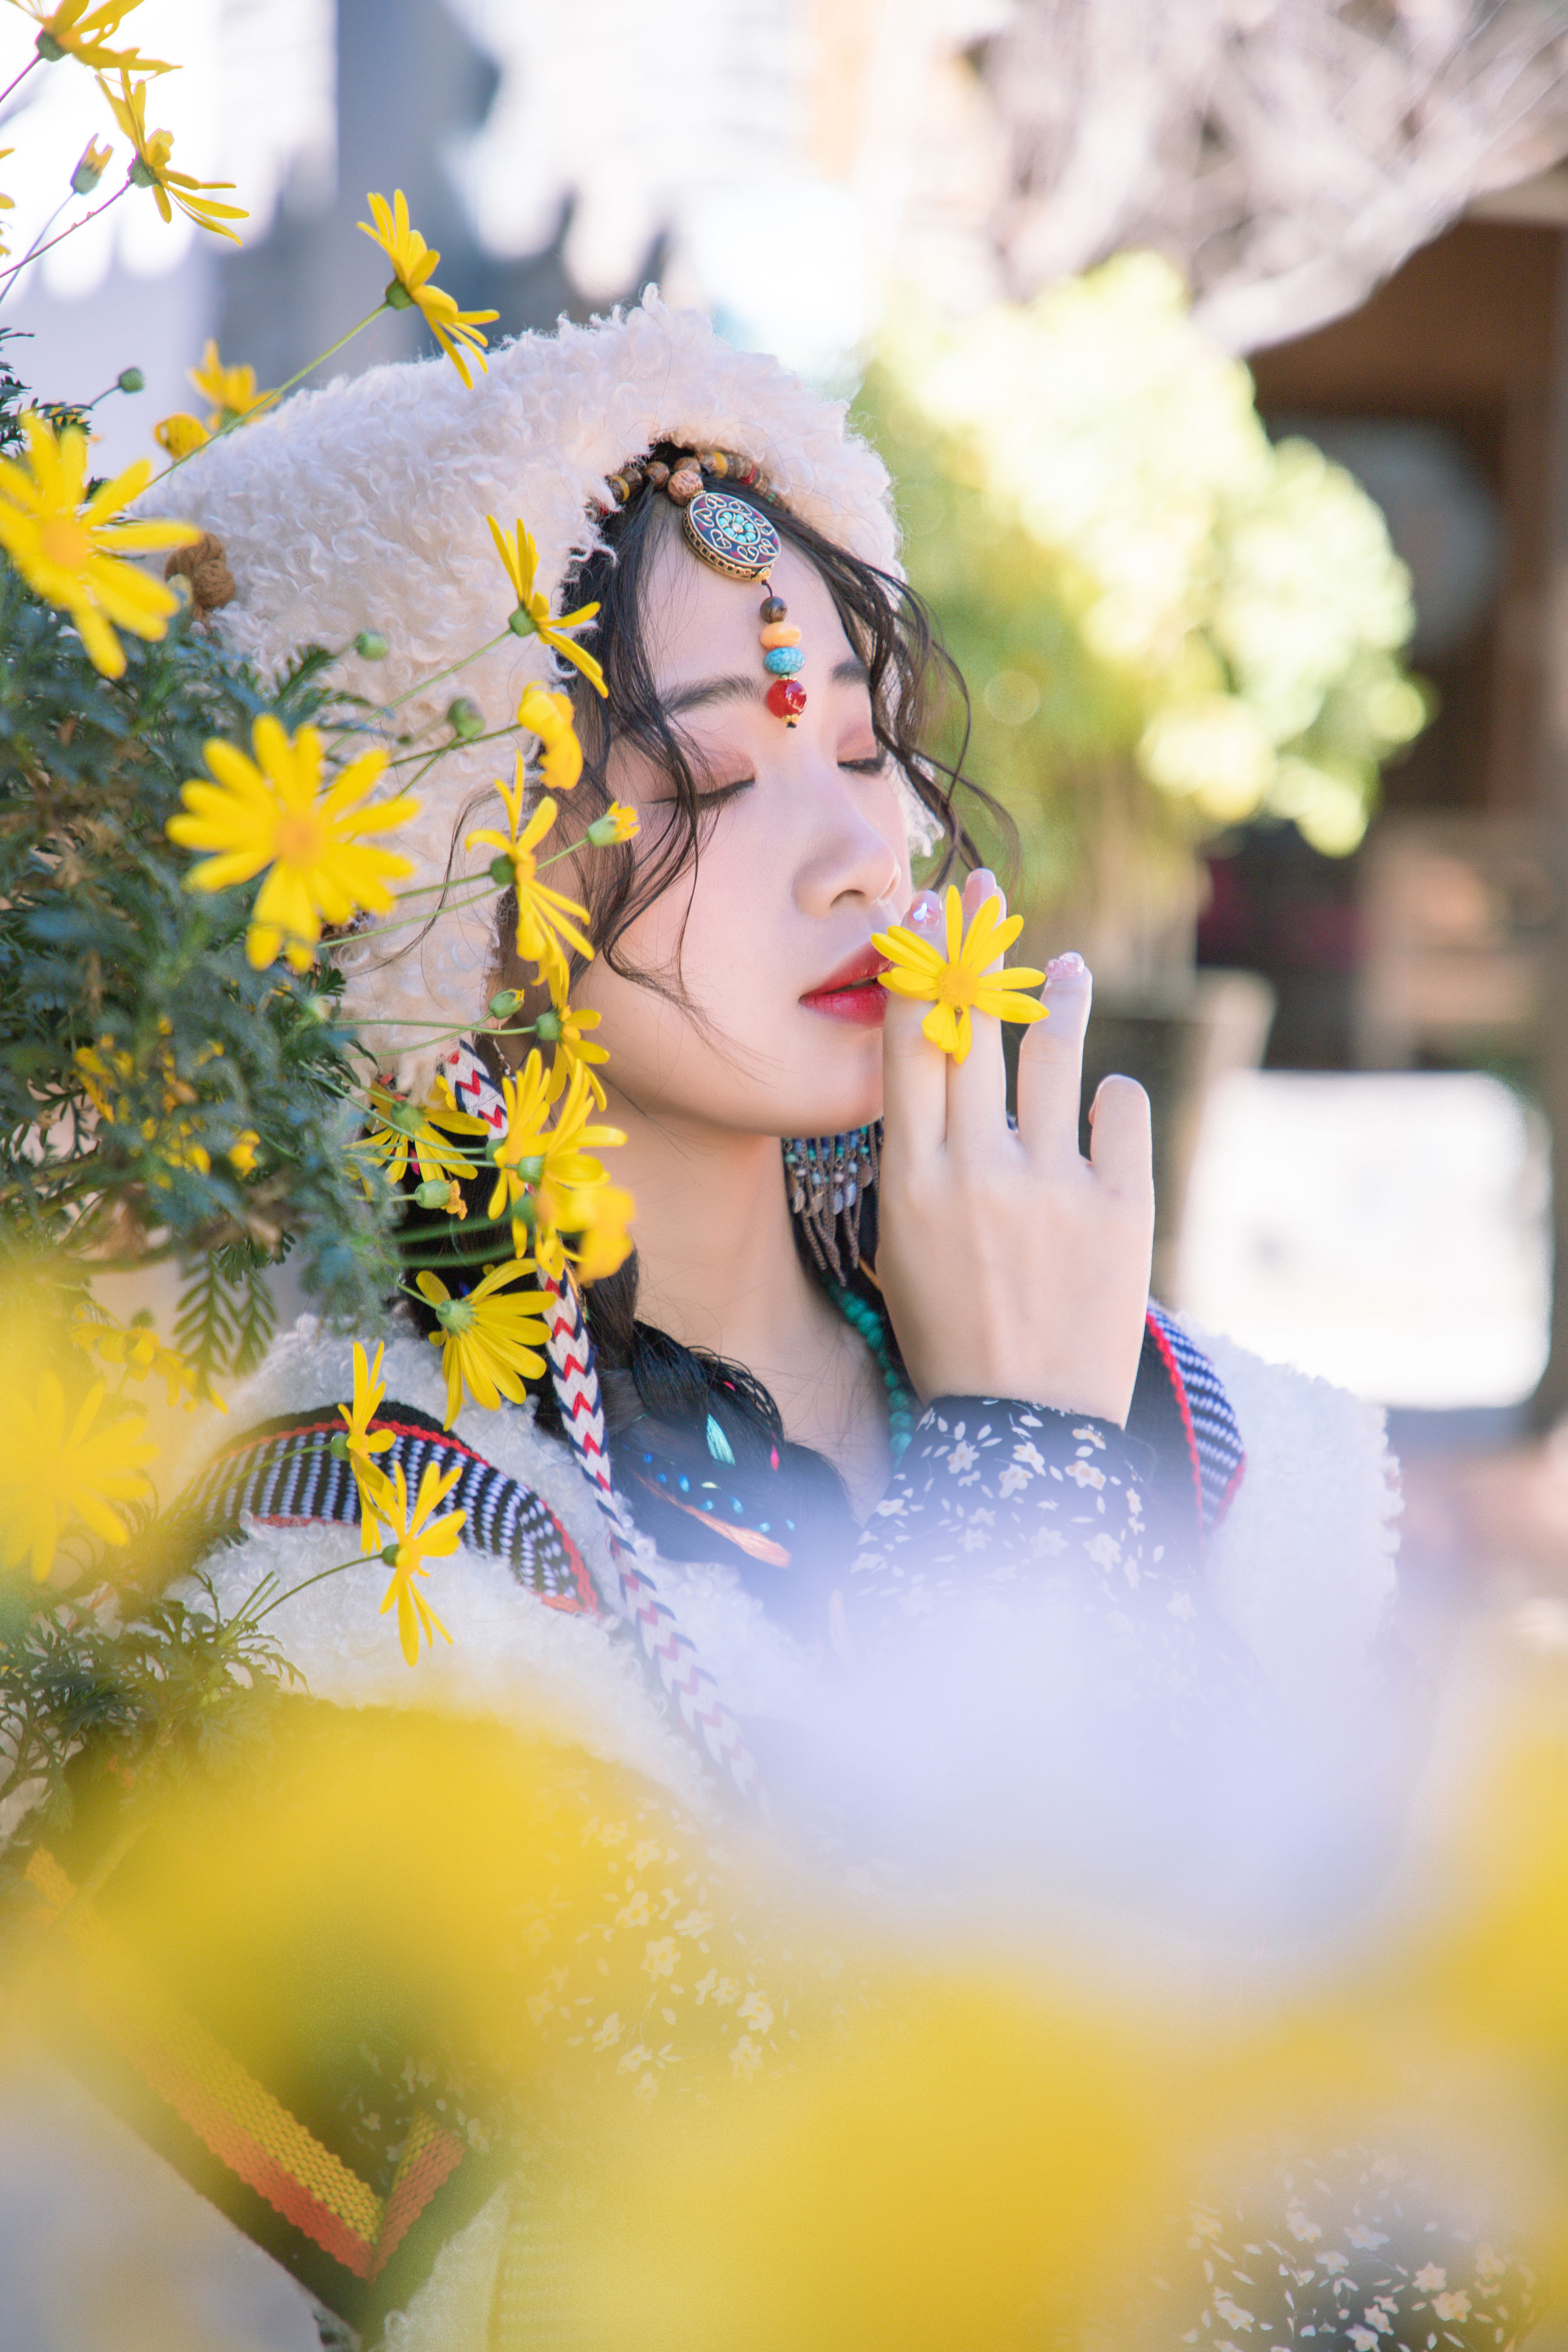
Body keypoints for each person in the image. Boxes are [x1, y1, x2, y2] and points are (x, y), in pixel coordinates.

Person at [128, 294, 1504, 2350]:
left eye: (862, 745)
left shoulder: (1216, 1432)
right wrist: (1023, 1482)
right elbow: (782, 2246)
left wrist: (1058, 1415)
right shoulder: (338, 1567)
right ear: (425, 868)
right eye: (704, 778)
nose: (869, 852)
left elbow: (1399, 2240)